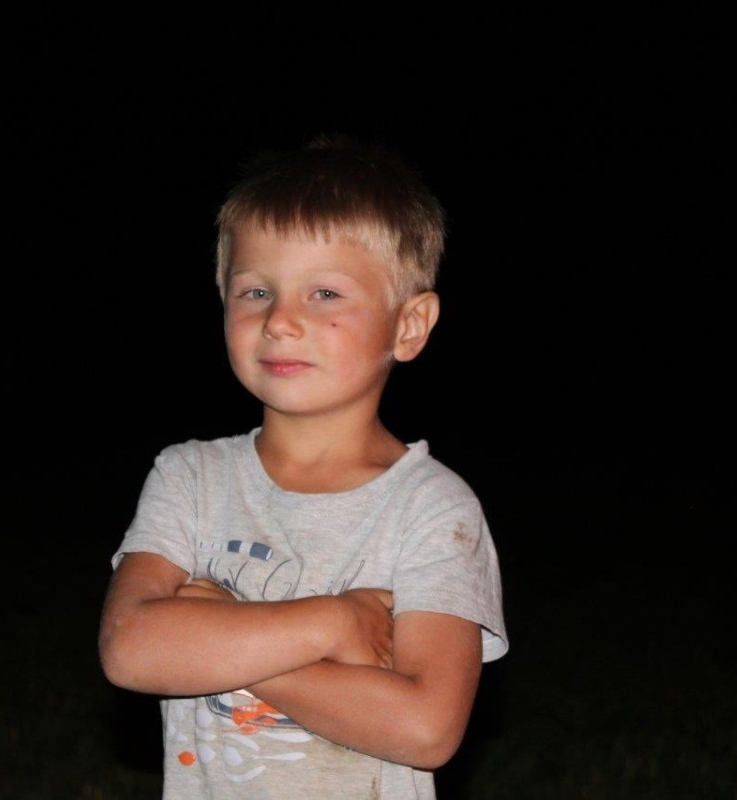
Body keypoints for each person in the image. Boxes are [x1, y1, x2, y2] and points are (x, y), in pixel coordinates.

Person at [98, 134, 508, 799]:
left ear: (409, 325)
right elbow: (131, 649)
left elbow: (426, 727)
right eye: (257, 290)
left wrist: (228, 641)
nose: (281, 321)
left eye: (324, 293)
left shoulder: (432, 508)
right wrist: (334, 625)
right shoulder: (191, 478)